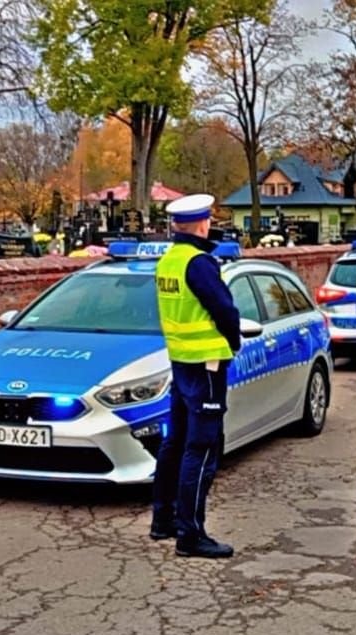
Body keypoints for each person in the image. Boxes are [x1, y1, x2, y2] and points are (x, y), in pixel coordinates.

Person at [150, 194, 242, 559]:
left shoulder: (169, 260)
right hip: (206, 364)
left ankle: (164, 519)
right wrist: (232, 342)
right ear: (203, 223)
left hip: (181, 361)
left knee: (175, 444)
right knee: (201, 448)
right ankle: (191, 534)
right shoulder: (199, 262)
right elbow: (224, 308)